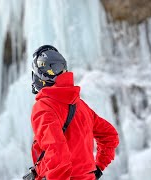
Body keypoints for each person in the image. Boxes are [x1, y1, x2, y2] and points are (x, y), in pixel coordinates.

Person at [30, 45, 119, 180]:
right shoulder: (80, 105)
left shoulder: (44, 107)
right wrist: (98, 167)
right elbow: (110, 136)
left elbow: (57, 155)